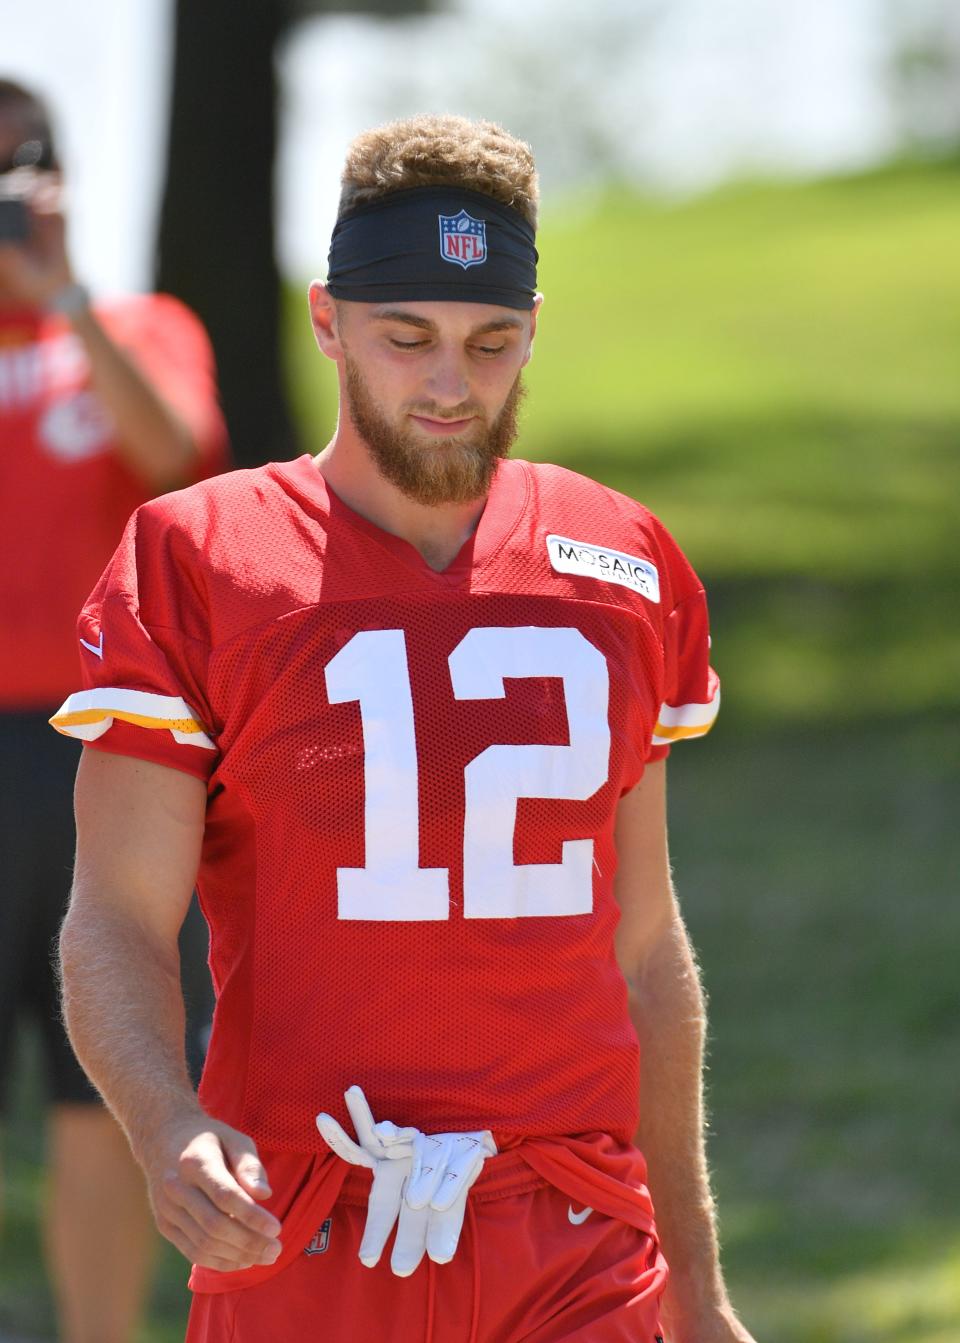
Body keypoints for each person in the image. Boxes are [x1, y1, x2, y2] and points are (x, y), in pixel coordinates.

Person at [53, 114, 756, 1342]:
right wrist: (167, 1124)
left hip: (576, 1235)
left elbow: (646, 949)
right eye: (408, 338)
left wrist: (697, 1287)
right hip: (309, 1219)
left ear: (534, 327)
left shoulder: (624, 559)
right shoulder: (201, 556)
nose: (450, 384)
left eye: (492, 342)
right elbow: (116, 913)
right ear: (328, 321)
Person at [0, 78, 227, 1343]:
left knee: (108, 1078)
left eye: (15, 163)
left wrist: (67, 299)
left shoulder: (140, 322)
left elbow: (173, 452)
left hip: (113, 750)